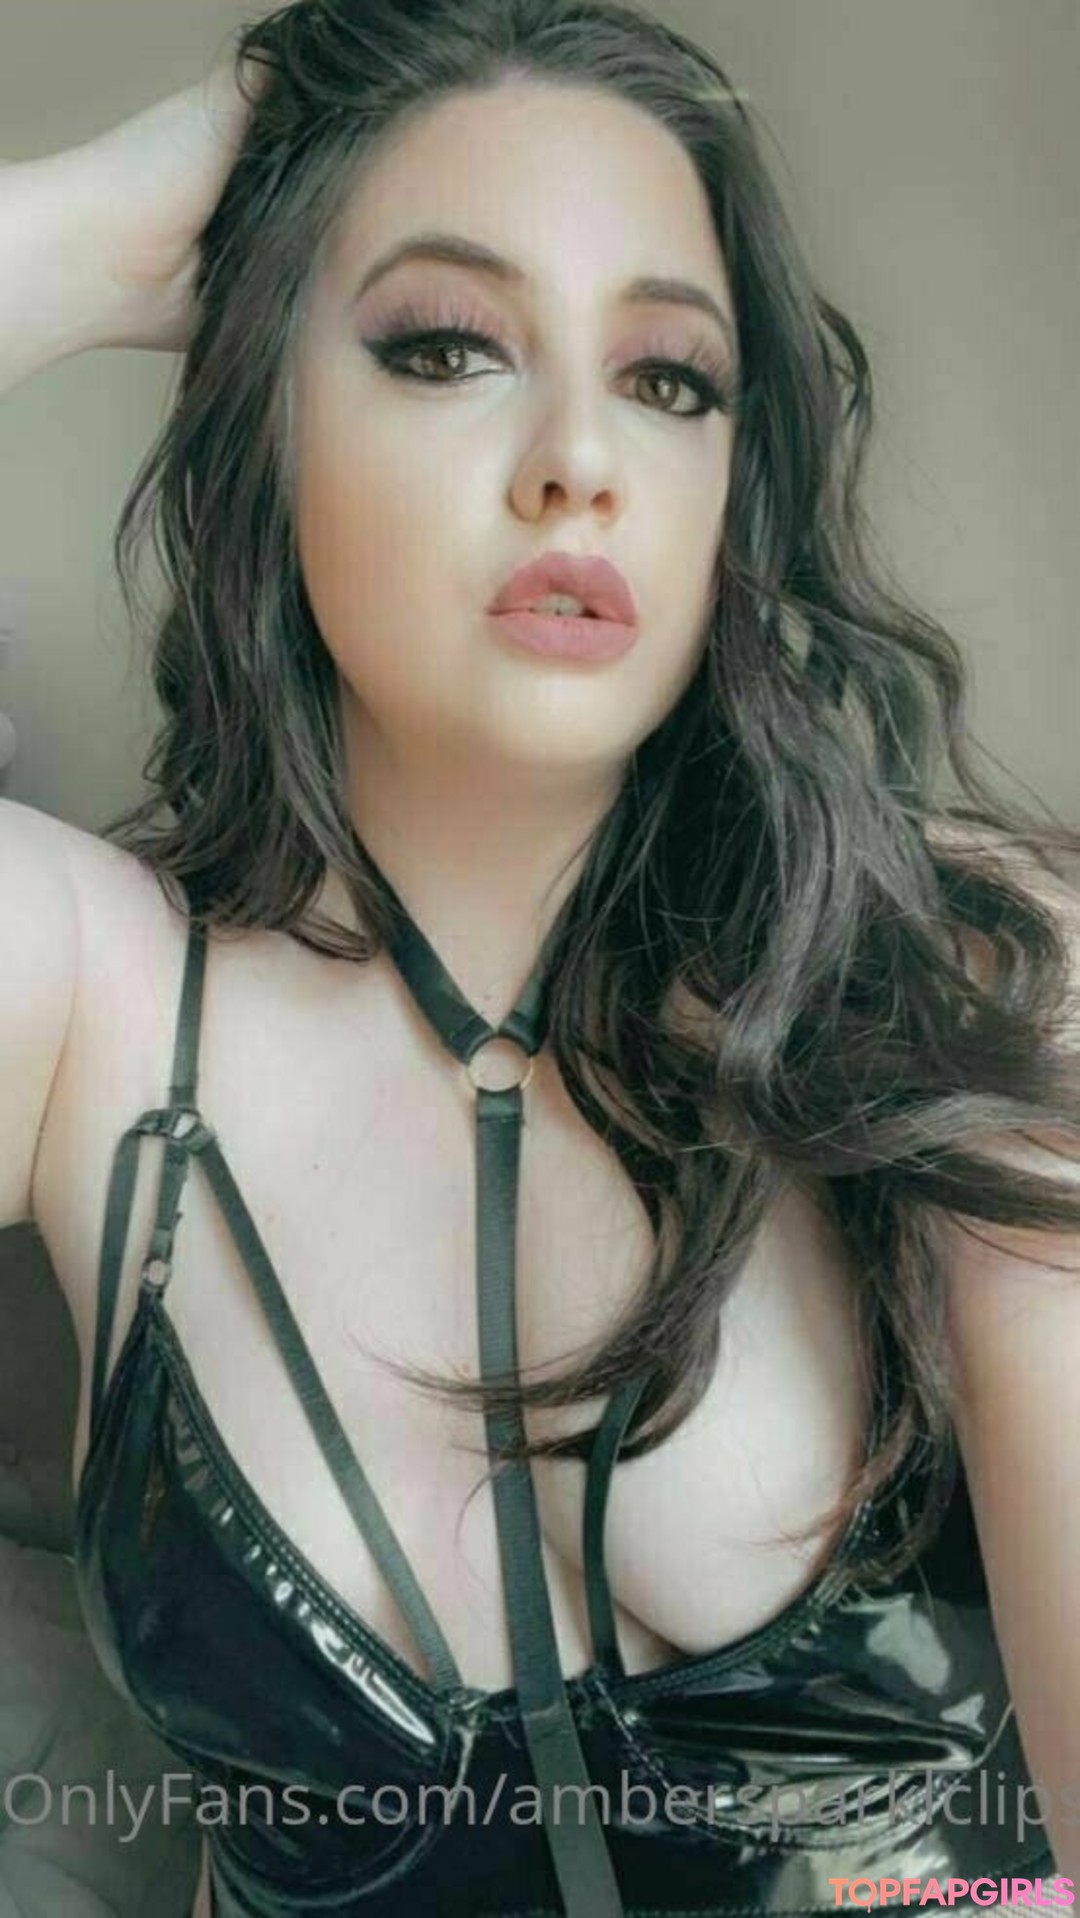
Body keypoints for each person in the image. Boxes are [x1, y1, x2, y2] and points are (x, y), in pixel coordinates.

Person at [2, 1, 1079, 1913]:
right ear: (264, 409)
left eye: (670, 378)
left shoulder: (960, 969)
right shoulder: (89, 992)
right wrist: (84, 234)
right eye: (444, 344)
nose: (582, 457)